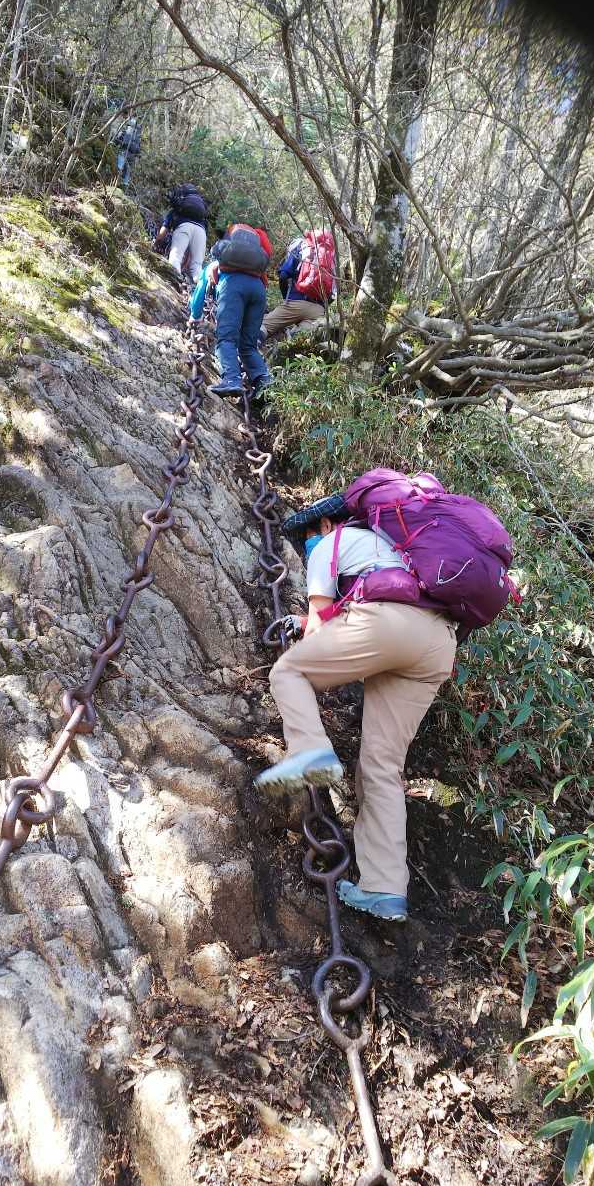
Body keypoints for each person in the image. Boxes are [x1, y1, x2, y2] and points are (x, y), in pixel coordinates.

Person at [254, 494, 457, 922]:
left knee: (289, 672)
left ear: (326, 524)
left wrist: (308, 635)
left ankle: (310, 753)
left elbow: (321, 627)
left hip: (388, 627)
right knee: (381, 766)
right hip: (438, 644)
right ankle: (385, 889)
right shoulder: (396, 548)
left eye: (308, 535)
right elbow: (345, 621)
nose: (308, 544)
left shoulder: (332, 542)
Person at [208, 221, 273, 398]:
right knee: (248, 345)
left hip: (233, 286)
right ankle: (264, 381)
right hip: (258, 290)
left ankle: (231, 379)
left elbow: (215, 255)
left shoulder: (229, 240)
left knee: (226, 338)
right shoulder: (258, 243)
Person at [261, 230, 335, 340]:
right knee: (303, 336)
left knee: (263, 326)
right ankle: (294, 337)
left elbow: (283, 276)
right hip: (318, 310)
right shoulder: (330, 257)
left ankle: (253, 345)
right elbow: (333, 294)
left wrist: (286, 299)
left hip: (295, 303)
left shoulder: (301, 249)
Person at [157, 183, 208, 283]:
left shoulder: (177, 208)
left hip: (183, 227)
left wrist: (156, 243)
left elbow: (162, 234)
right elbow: (194, 245)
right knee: (197, 265)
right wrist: (187, 262)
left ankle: (172, 284)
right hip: (201, 231)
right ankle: (199, 288)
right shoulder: (202, 215)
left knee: (175, 257)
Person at [113, 115, 142, 187]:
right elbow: (115, 141)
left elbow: (137, 149)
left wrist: (127, 144)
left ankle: (124, 184)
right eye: (129, 126)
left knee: (127, 170)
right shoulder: (124, 133)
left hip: (130, 157)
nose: (130, 128)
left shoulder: (136, 137)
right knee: (121, 165)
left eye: (132, 127)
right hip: (123, 153)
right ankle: (118, 181)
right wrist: (119, 140)